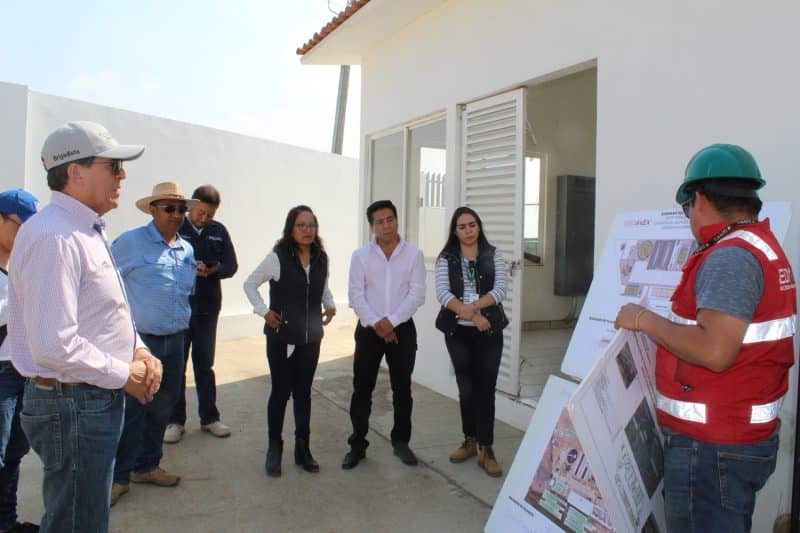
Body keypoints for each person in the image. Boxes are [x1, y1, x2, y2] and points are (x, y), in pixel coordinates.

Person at [614, 144, 796, 532]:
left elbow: (715, 350)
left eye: (687, 208)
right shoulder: (756, 245)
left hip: (712, 448)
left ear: (698, 199)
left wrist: (643, 319)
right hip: (732, 439)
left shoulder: (730, 257)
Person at [7, 121, 161, 533]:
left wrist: (138, 350)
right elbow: (53, 345)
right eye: (114, 166)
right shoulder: (54, 237)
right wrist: (124, 373)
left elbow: (107, 311)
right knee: (77, 522)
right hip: (74, 403)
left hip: (86, 398)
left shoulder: (82, 229)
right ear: (75, 172)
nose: (122, 176)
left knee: (84, 517)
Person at [110, 182, 197, 505]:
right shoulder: (131, 243)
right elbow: (106, 286)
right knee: (132, 409)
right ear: (152, 210)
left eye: (181, 209)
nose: (176, 215)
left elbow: (186, 293)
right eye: (169, 208)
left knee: (163, 406)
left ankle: (147, 466)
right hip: (140, 343)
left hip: (175, 341)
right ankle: (119, 477)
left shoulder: (186, 250)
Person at [243, 205, 336, 476]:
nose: (307, 230)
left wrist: (329, 304)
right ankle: (274, 449)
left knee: (304, 393)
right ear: (290, 228)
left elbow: (323, 286)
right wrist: (264, 311)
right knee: (281, 392)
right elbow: (249, 284)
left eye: (311, 225)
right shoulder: (277, 257)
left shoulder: (321, 257)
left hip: (311, 337)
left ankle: (303, 449)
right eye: (301, 225)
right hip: (282, 338)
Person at [342, 200, 426, 469]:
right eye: (380, 221)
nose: (386, 225)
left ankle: (401, 442)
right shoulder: (360, 256)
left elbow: (417, 294)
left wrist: (392, 322)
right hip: (369, 330)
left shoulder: (413, 255)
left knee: (402, 389)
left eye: (390, 219)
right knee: (362, 389)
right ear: (372, 226)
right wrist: (378, 323)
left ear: (397, 221)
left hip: (402, 330)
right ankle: (357, 444)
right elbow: (355, 295)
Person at [434, 206, 508, 477]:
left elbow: (500, 290)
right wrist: (471, 316)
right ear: (455, 231)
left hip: (489, 331)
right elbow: (442, 293)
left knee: (485, 388)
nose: (468, 230)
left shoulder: (493, 254)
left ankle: (487, 449)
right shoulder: (447, 258)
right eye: (462, 226)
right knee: (466, 389)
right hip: (458, 333)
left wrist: (474, 309)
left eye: (472, 225)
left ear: (479, 227)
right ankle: (469, 440)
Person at [165, 185, 238, 443]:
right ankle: (175, 421)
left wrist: (212, 269)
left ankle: (209, 418)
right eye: (200, 212)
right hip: (180, 307)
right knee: (177, 366)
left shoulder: (219, 232)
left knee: (204, 364)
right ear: (191, 207)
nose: (204, 218)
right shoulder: (176, 228)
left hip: (208, 307)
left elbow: (231, 265)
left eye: (210, 214)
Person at [0, 189, 38, 533]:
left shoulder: (22, 266)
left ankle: (7, 522)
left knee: (13, 453)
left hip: (22, 369)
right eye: (21, 226)